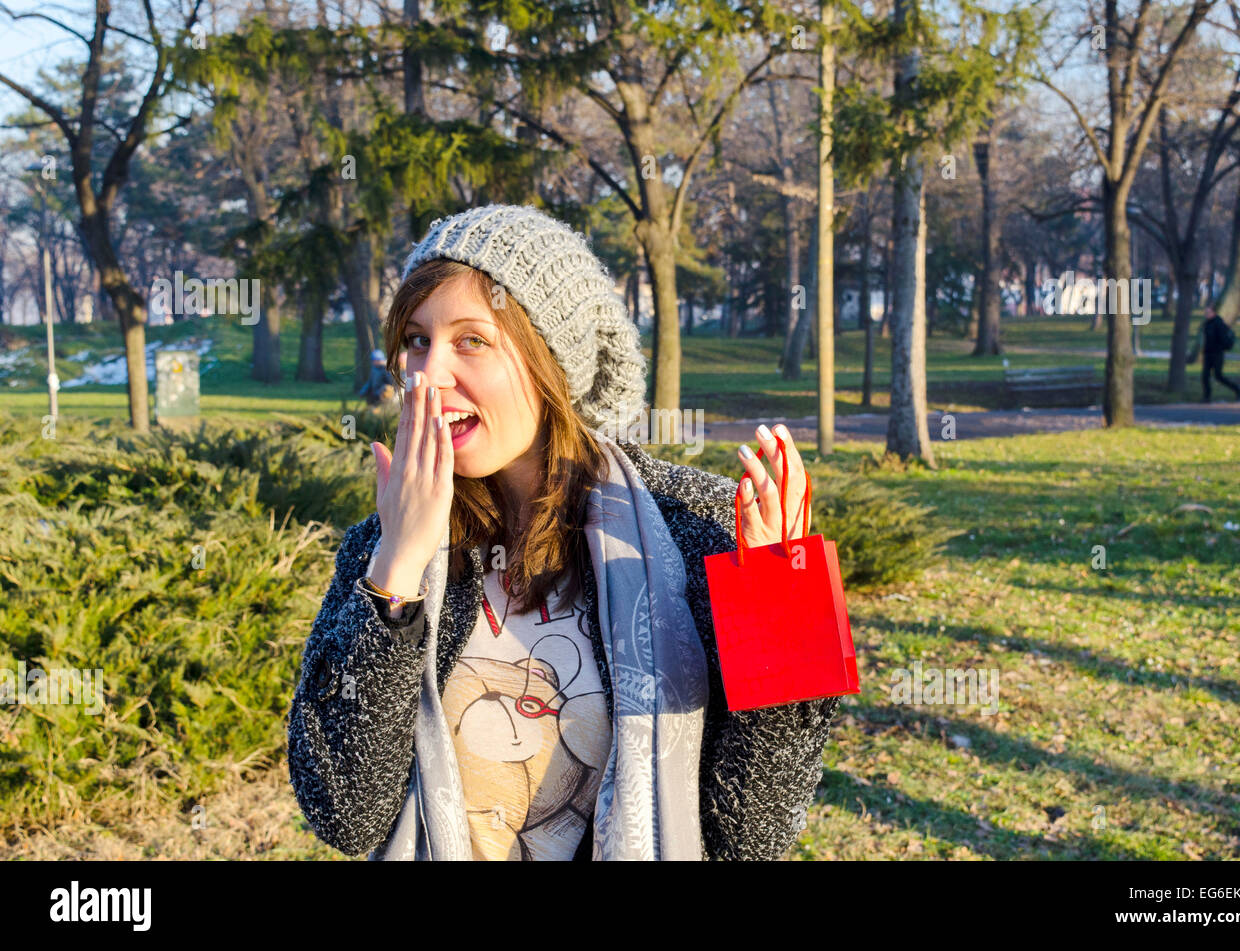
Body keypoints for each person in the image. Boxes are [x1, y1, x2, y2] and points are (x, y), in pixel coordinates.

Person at [288, 204, 839, 861]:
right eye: (415, 339)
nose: (427, 375)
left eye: (471, 340)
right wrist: (395, 571)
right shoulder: (383, 542)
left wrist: (785, 616)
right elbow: (342, 816)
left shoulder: (698, 527)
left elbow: (754, 837)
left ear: (554, 360)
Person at [1186, 303, 1240, 403]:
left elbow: (1223, 339)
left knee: (1218, 376)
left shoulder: (1218, 323)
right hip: (1208, 354)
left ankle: (1237, 389)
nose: (1206, 314)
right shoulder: (1207, 323)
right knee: (1205, 376)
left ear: (1213, 312)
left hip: (1217, 354)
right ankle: (1207, 397)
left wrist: (1219, 347)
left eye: (1208, 312)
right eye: (1205, 312)